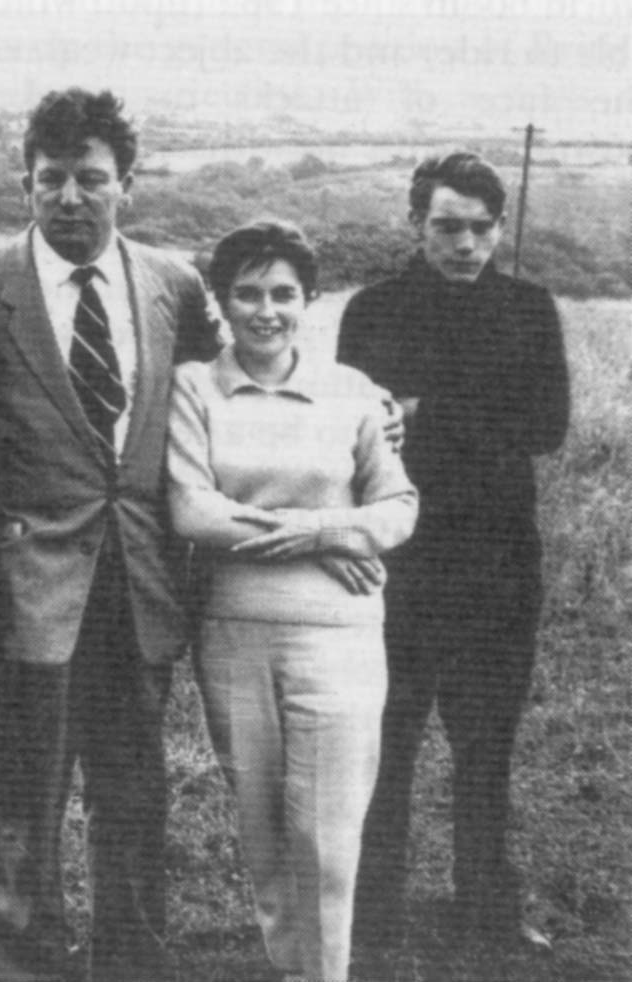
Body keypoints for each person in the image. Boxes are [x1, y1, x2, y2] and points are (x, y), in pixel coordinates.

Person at [0, 88, 220, 982]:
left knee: (135, 784)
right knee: (26, 783)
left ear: (125, 184)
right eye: (50, 179)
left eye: (90, 179)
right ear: (26, 182)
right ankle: (20, 953)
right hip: (30, 578)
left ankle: (133, 955)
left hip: (143, 578)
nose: (70, 197)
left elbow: (228, 397)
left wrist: (355, 409)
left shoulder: (175, 283)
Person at [167, 220, 419, 982]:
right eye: (246, 293)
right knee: (264, 824)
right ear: (222, 301)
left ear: (310, 297)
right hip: (234, 634)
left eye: (283, 293)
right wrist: (329, 536)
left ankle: (325, 974)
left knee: (327, 831)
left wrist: (324, 527)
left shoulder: (353, 391)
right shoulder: (193, 386)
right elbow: (192, 511)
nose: (265, 310)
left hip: (340, 634)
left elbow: (397, 508)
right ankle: (290, 965)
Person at [336, 151, 569, 952]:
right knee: (386, 748)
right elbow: (360, 437)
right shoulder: (372, 310)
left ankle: (487, 915)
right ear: (415, 224)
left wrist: (427, 410)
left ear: (499, 228)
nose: (465, 244)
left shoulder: (530, 308)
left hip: (502, 567)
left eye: (480, 228)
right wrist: (470, 416)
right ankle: (373, 919)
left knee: (486, 748)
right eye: (446, 227)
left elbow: (547, 428)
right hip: (401, 568)